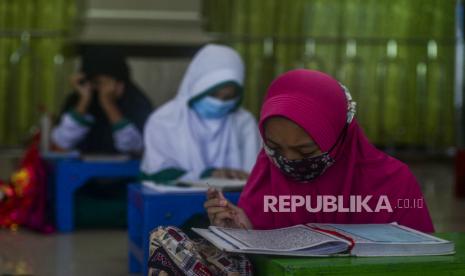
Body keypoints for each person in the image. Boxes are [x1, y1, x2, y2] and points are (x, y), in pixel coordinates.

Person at [204, 69, 435, 233]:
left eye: (305, 151)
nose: (290, 161)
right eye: (275, 149)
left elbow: (421, 264)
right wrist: (242, 234)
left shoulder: (393, 184)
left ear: (341, 136)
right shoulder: (266, 177)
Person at [141, 44, 261, 183]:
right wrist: (210, 174)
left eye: (228, 97)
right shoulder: (164, 120)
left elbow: (255, 174)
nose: (219, 103)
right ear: (196, 87)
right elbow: (158, 171)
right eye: (213, 94)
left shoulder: (244, 122)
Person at [51, 48, 153, 155]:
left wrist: (109, 105)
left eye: (101, 82)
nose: (97, 89)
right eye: (93, 82)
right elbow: (60, 145)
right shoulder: (79, 99)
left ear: (119, 83)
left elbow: (135, 148)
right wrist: (84, 101)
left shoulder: (137, 103)